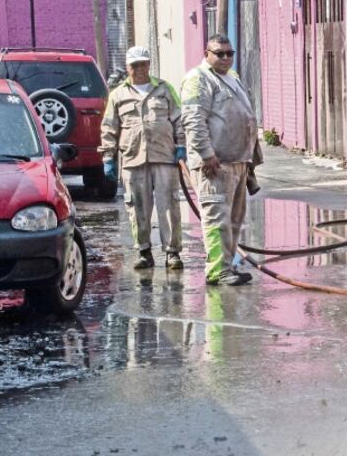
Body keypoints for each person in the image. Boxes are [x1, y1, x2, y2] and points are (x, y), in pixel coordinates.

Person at [180, 35, 261, 287]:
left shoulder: (232, 78)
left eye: (229, 53)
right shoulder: (198, 79)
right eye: (219, 53)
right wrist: (207, 154)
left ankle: (228, 265)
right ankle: (217, 270)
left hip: (238, 161)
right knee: (217, 218)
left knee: (234, 220)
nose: (226, 58)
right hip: (215, 164)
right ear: (207, 53)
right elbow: (193, 120)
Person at [100, 46, 186, 270]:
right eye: (134, 65)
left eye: (143, 64)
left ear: (149, 65)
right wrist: (108, 157)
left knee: (169, 206)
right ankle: (144, 251)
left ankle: (172, 252)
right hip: (132, 158)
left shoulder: (165, 89)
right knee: (137, 207)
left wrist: (181, 146)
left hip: (165, 156)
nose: (139, 69)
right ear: (128, 67)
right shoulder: (117, 95)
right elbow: (109, 127)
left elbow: (179, 119)